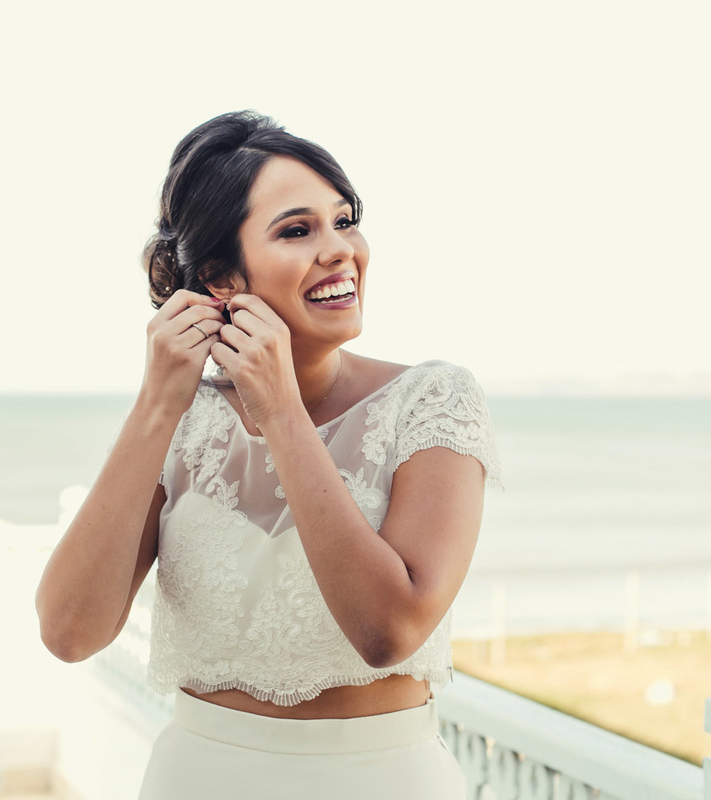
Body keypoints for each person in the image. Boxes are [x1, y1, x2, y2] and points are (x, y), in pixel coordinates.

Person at [35, 111, 501, 799]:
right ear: (221, 278)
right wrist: (156, 406)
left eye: (344, 220)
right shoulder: (181, 423)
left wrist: (281, 411)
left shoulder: (433, 401)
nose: (340, 249)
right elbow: (69, 632)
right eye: (297, 230)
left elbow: (390, 630)